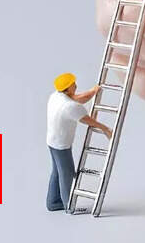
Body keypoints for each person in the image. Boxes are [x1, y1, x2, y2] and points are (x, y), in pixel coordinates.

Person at [46, 73, 113, 212]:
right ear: (67, 88)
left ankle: (53, 202)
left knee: (57, 171)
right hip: (61, 145)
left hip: (52, 141)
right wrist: (105, 128)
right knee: (67, 173)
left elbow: (78, 98)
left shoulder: (56, 96)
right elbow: (88, 120)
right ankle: (68, 205)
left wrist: (93, 91)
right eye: (73, 84)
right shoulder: (69, 106)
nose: (76, 85)